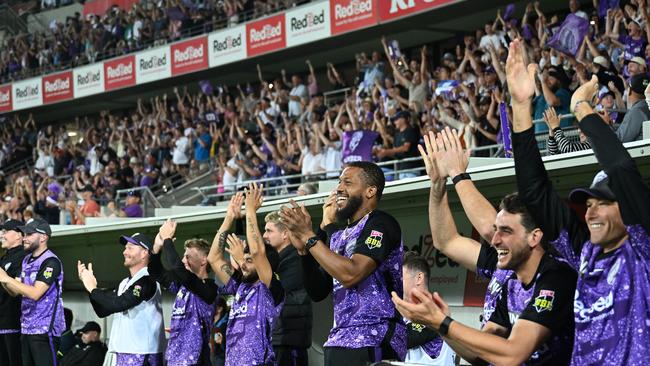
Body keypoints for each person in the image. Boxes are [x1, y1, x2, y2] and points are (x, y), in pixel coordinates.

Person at [507, 38, 650, 365]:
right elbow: (535, 192)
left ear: (627, 208)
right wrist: (520, 107)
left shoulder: (643, 245)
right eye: (588, 203)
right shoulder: (583, 251)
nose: (592, 210)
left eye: (603, 202)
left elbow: (621, 168)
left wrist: (581, 107)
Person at [394, 128, 576, 365]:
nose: (495, 239)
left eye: (506, 231)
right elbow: (480, 353)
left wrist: (458, 174)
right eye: (498, 231)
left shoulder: (556, 275)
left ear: (535, 237)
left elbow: (513, 353)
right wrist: (438, 184)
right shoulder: (510, 282)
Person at [279, 161, 406, 365]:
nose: (338, 188)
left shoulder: (381, 223)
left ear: (370, 191)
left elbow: (351, 274)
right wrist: (303, 251)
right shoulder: (339, 236)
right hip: (339, 339)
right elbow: (318, 290)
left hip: (375, 336)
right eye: (339, 182)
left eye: (347, 182)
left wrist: (309, 236)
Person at [207, 188, 284, 366]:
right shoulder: (240, 286)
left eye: (249, 260)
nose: (243, 263)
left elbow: (257, 251)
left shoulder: (269, 289)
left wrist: (250, 210)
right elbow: (214, 258)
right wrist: (229, 218)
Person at [77, 232, 165, 365]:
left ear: (144, 253)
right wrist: (90, 287)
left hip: (142, 354)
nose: (125, 252)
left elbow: (119, 304)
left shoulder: (148, 279)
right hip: (124, 352)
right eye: (125, 248)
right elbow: (103, 310)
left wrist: (93, 289)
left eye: (130, 247)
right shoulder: (125, 283)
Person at [149, 219, 218, 366]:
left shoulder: (209, 290)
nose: (183, 260)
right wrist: (157, 247)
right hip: (174, 359)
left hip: (196, 361)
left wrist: (168, 239)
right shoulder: (183, 286)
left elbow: (178, 269)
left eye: (188, 256)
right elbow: (156, 272)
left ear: (204, 260)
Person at [0, 218, 65, 366]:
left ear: (43, 237)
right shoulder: (27, 260)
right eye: (24, 234)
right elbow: (15, 292)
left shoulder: (51, 262)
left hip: (44, 329)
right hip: (26, 328)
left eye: (29, 234)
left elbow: (36, 293)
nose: (25, 238)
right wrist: (3, 279)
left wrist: (7, 279)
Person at [263, 211, 313, 366]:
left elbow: (277, 295)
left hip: (289, 342)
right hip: (278, 339)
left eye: (269, 231)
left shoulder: (294, 259)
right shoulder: (278, 261)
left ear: (285, 234)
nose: (264, 235)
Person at [402, 252, 456, 365]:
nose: (395, 281)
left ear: (419, 278)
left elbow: (406, 338)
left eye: (400, 277)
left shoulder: (435, 310)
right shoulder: (405, 313)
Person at [0, 219, 26, 366]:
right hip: (2, 318)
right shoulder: (5, 257)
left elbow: (17, 289)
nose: (2, 235)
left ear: (18, 235)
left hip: (13, 319)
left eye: (6, 231)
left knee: (13, 361)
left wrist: (3, 277)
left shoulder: (23, 257)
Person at [616, 73, 650, 142]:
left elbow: (619, 140)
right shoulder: (646, 106)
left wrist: (605, 125)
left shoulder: (637, 111)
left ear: (630, 91)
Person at [210, 297, 228, 366]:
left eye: (213, 306)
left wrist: (222, 339)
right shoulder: (211, 321)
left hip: (221, 357)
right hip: (212, 356)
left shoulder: (225, 323)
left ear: (220, 309)